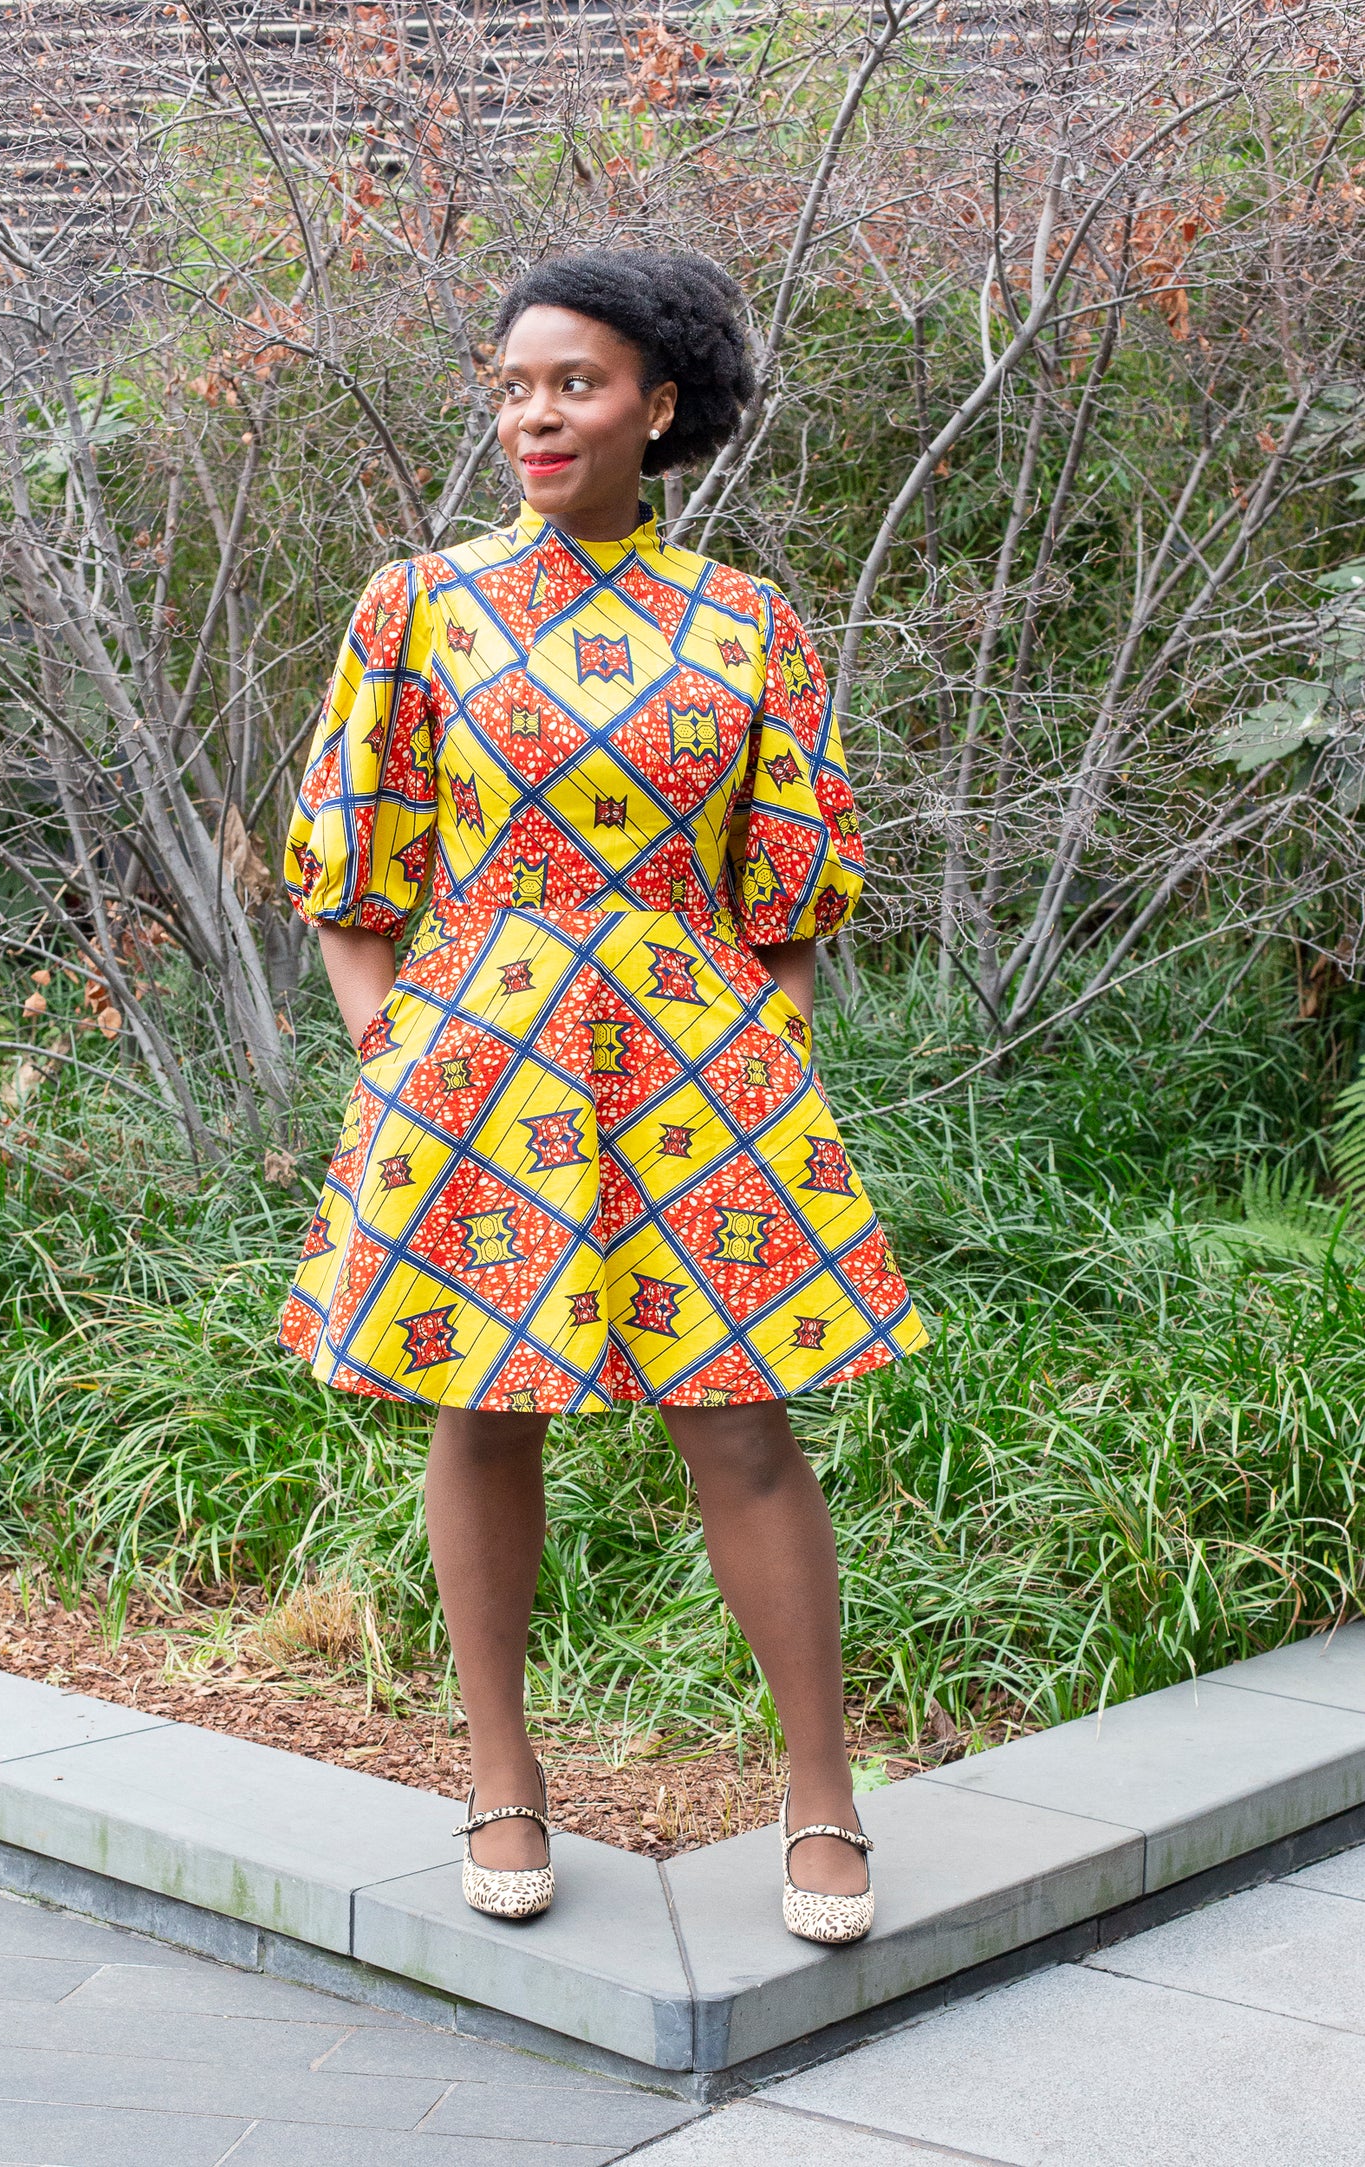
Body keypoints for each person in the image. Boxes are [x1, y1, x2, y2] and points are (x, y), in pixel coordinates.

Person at [279, 250, 927, 1945]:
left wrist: (756, 1047)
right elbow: (355, 869)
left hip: (699, 1075)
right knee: (483, 1409)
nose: (532, 414)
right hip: (471, 1072)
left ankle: (818, 1790)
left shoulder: (748, 625)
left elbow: (792, 892)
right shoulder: (417, 608)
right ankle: (502, 1776)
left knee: (738, 1420)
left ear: (659, 401)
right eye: (510, 387)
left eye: (570, 383)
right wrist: (389, 1044)